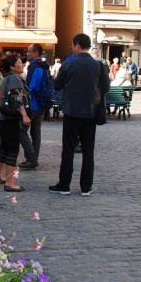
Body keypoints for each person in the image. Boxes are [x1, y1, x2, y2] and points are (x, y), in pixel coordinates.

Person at [49, 33, 110, 197]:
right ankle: (86, 187)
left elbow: (57, 84)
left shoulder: (69, 64)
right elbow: (105, 88)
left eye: (72, 46)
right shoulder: (99, 65)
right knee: (88, 151)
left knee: (68, 149)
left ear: (76, 45)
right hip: (91, 112)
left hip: (72, 111)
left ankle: (64, 185)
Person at [0, 55, 31, 192]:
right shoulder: (15, 78)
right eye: (18, 63)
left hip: (3, 118)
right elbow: (17, 98)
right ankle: (9, 183)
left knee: (4, 148)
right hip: (10, 119)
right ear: (12, 67)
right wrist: (24, 115)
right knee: (12, 150)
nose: (21, 64)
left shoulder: (8, 78)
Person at [19, 43, 51, 170]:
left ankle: (31, 158)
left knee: (21, 131)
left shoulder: (34, 66)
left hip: (32, 104)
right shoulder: (45, 65)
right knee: (36, 132)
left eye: (29, 51)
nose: (27, 54)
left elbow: (30, 86)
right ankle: (34, 157)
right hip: (42, 103)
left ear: (36, 52)